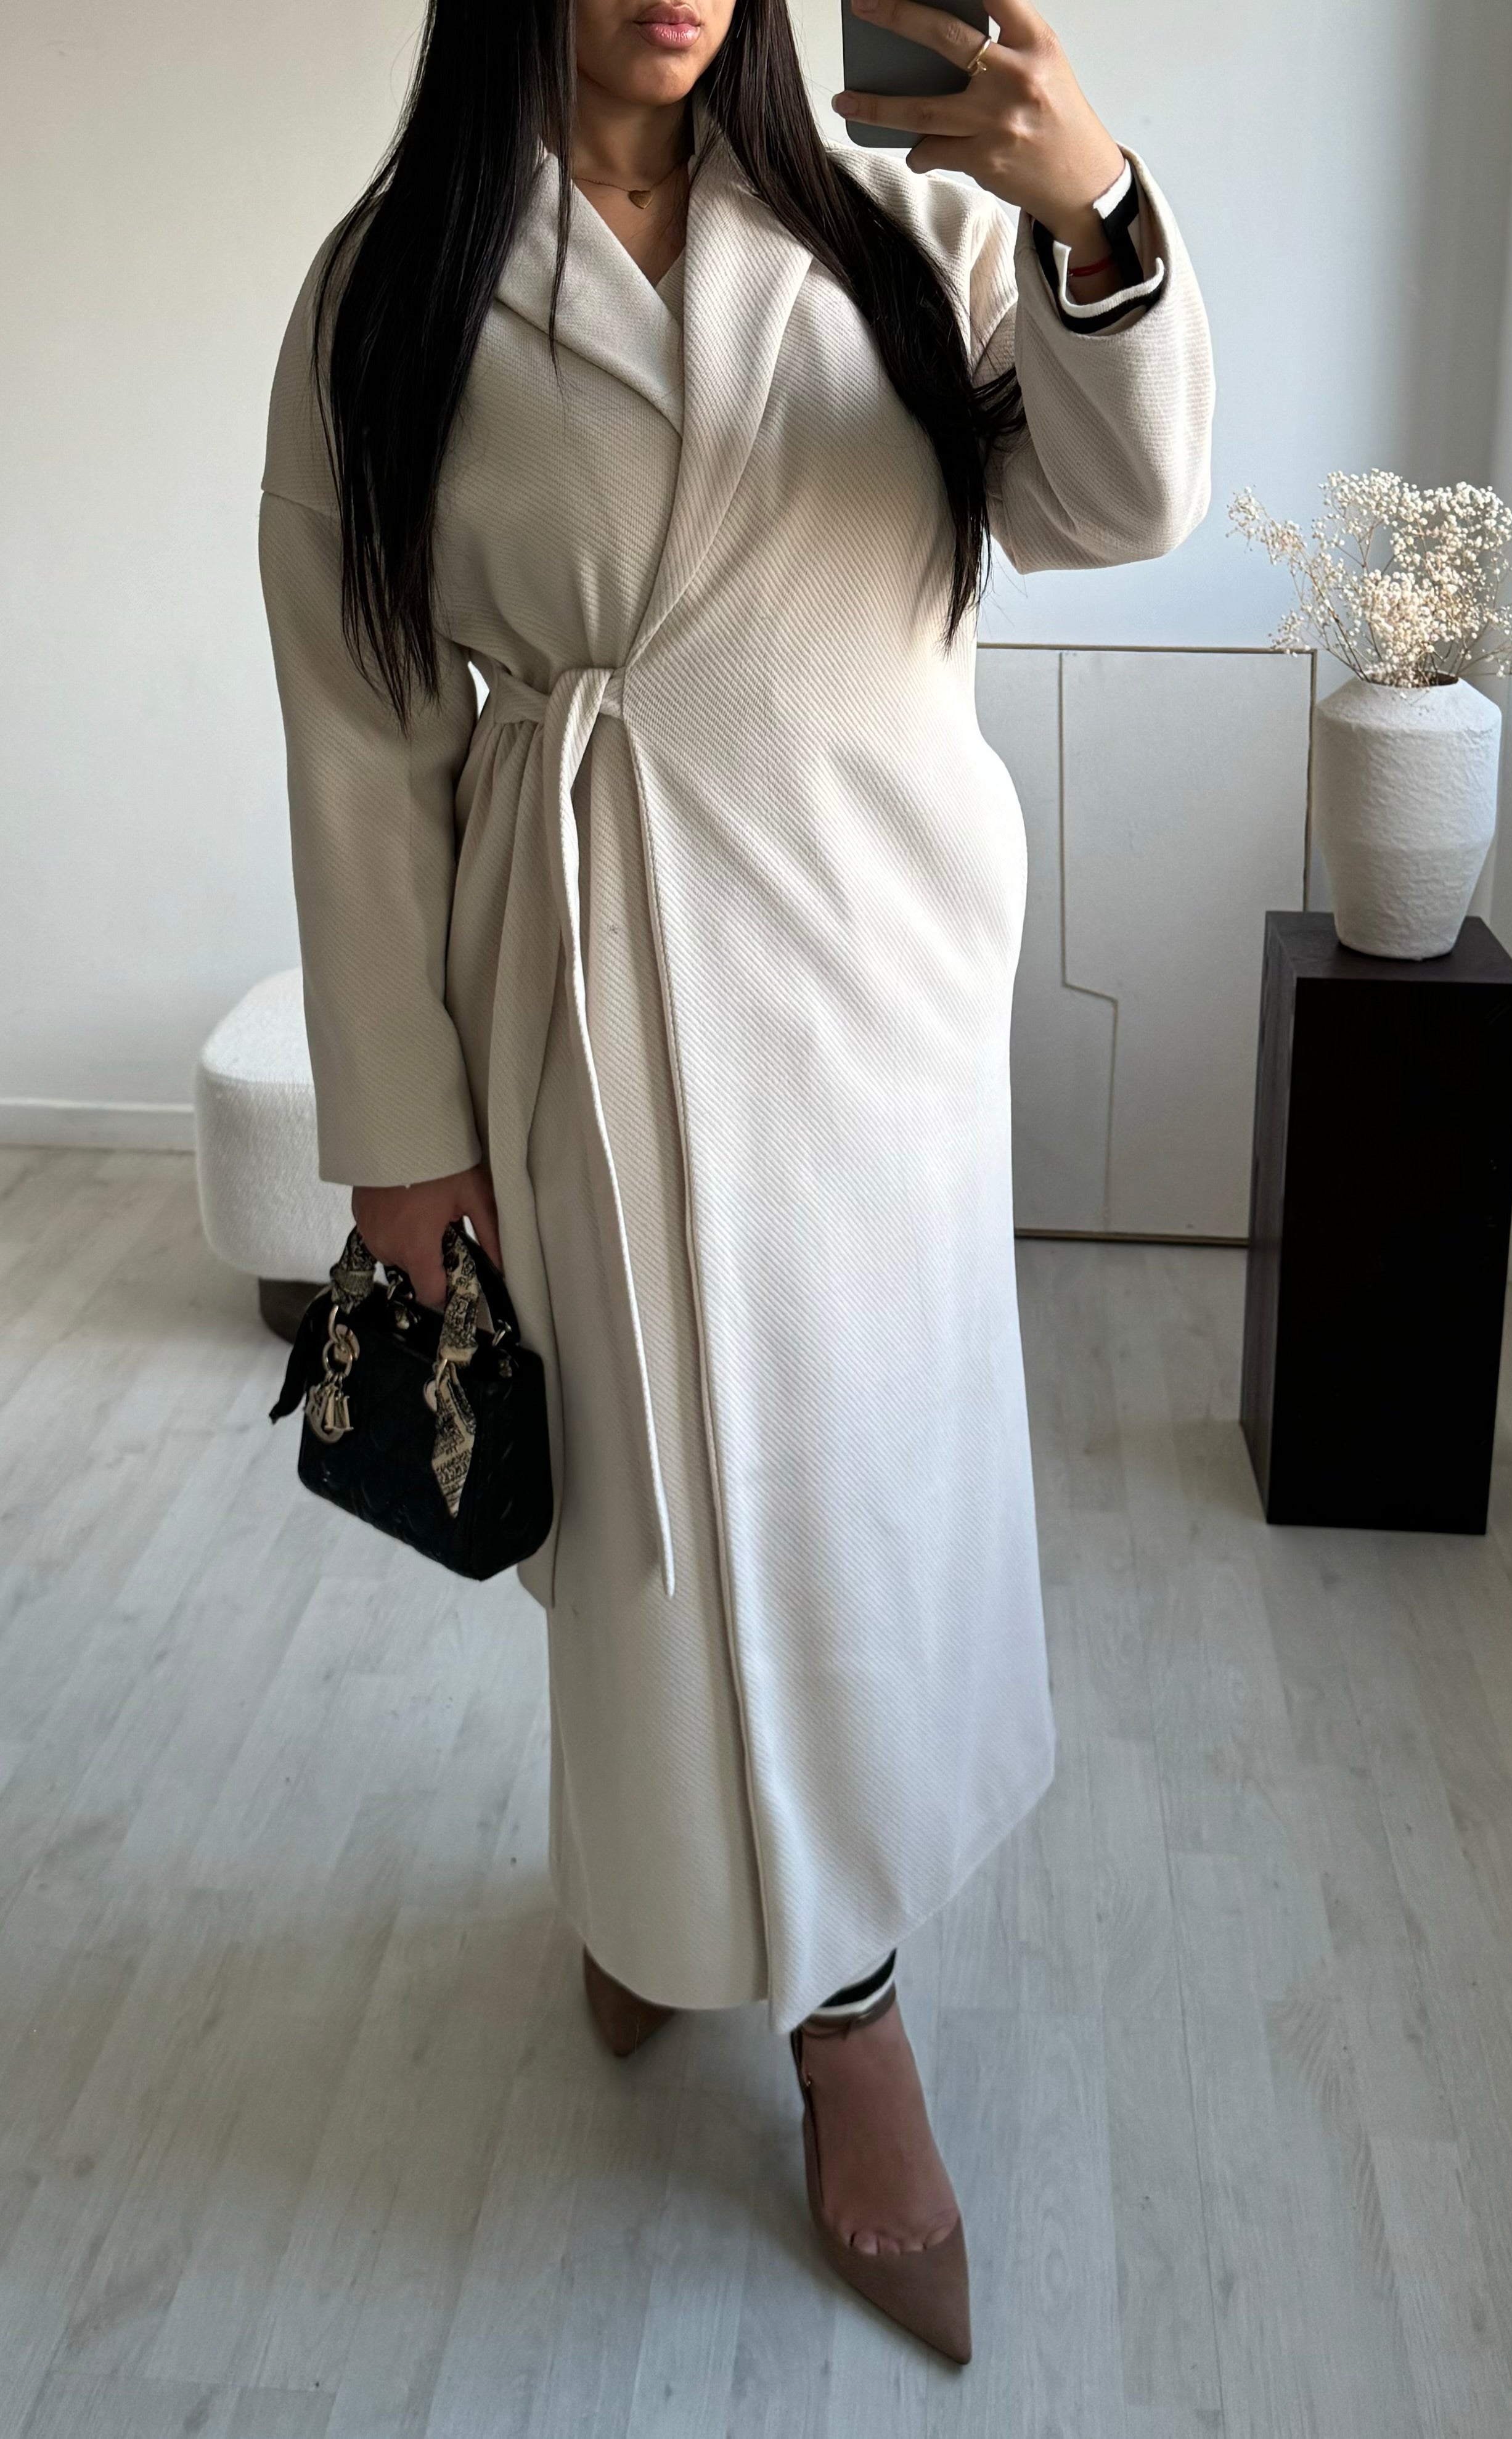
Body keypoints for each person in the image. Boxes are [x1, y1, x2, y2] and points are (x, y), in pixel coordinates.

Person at [258, 0, 1212, 2364]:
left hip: (868, 984)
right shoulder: (393, 282)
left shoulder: (897, 225)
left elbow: (1117, 504)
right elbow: (361, 731)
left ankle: (842, 2003)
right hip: (576, 978)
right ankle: (657, 1887)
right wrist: (402, 1139)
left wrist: (1091, 213)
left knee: (851, 1500)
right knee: (642, 1509)